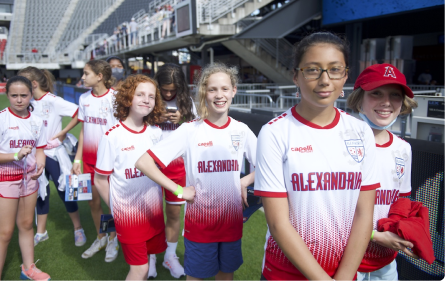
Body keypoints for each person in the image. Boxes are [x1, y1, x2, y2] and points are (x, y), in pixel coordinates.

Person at [254, 32, 381, 281]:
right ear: (296, 76)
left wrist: (344, 276)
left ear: (345, 75)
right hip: (284, 274)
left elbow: (364, 213)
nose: (325, 80)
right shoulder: (274, 133)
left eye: (335, 70)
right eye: (313, 70)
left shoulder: (361, 131)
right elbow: (278, 223)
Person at [136, 62, 257, 281]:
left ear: (233, 91)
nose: (219, 95)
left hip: (231, 224)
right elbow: (144, 162)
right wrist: (179, 191)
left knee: (225, 277)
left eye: (224, 89)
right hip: (200, 227)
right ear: (203, 92)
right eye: (212, 89)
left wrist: (244, 181)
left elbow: (268, 168)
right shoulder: (189, 130)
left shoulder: (242, 130)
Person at [346, 64, 419, 281]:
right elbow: (329, 209)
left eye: (395, 95)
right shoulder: (340, 141)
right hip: (345, 257)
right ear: (359, 99)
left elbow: (401, 199)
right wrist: (375, 236)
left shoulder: (403, 148)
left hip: (386, 261)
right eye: (376, 93)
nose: (386, 102)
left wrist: (400, 227)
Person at [94, 74, 166, 281]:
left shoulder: (155, 133)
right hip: (128, 217)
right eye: (140, 94)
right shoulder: (112, 136)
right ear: (127, 98)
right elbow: (100, 180)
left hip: (152, 212)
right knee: (140, 269)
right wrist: (117, 208)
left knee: (147, 263)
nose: (146, 100)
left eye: (151, 96)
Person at [0, 76, 50, 281]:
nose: (19, 100)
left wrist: (41, 165)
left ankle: (28, 269)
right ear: (7, 95)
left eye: (24, 95)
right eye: (14, 95)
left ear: (32, 94)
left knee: (27, 224)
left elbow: (40, 149)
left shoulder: (37, 121)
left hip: (29, 179)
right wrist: (14, 155)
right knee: (4, 232)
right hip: (4, 180)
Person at [17, 67, 86, 248]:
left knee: (66, 192)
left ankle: (78, 228)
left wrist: (62, 133)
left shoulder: (53, 101)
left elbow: (80, 113)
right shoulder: (28, 102)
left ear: (33, 84)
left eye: (23, 83)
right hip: (34, 155)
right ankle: (41, 232)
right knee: (40, 192)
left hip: (55, 154)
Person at [148, 63, 197, 278]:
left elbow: (199, 129)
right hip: (150, 164)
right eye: (165, 89)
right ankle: (150, 257)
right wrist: (155, 119)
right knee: (151, 214)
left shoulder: (187, 102)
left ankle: (170, 256)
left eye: (172, 90)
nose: (168, 93)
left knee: (174, 214)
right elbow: (133, 123)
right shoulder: (148, 98)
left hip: (178, 166)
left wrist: (184, 119)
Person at [72, 60, 120, 262]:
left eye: (86, 73)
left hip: (110, 161)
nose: (82, 77)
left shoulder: (116, 98)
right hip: (89, 160)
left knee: (111, 204)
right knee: (92, 201)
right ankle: (100, 238)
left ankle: (112, 239)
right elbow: (84, 130)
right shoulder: (84, 98)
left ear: (100, 76)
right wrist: (77, 158)